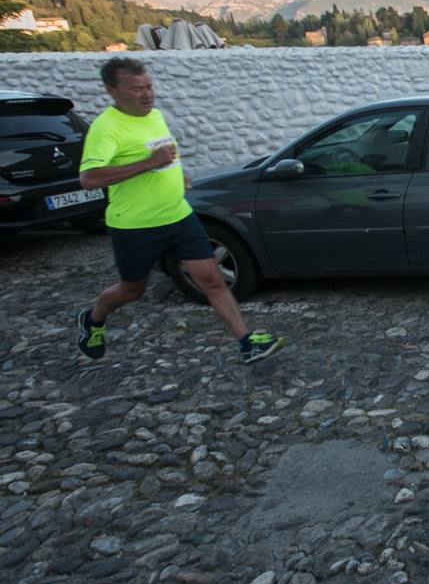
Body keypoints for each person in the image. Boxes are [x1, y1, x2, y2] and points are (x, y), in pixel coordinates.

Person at [75, 58, 285, 364]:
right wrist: (149, 164)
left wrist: (177, 174)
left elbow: (164, 155)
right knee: (132, 290)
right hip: (136, 225)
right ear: (112, 91)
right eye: (137, 89)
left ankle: (246, 342)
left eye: (149, 86)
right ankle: (93, 318)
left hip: (178, 215)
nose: (147, 94)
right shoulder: (106, 129)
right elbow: (89, 178)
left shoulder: (154, 115)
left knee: (212, 279)